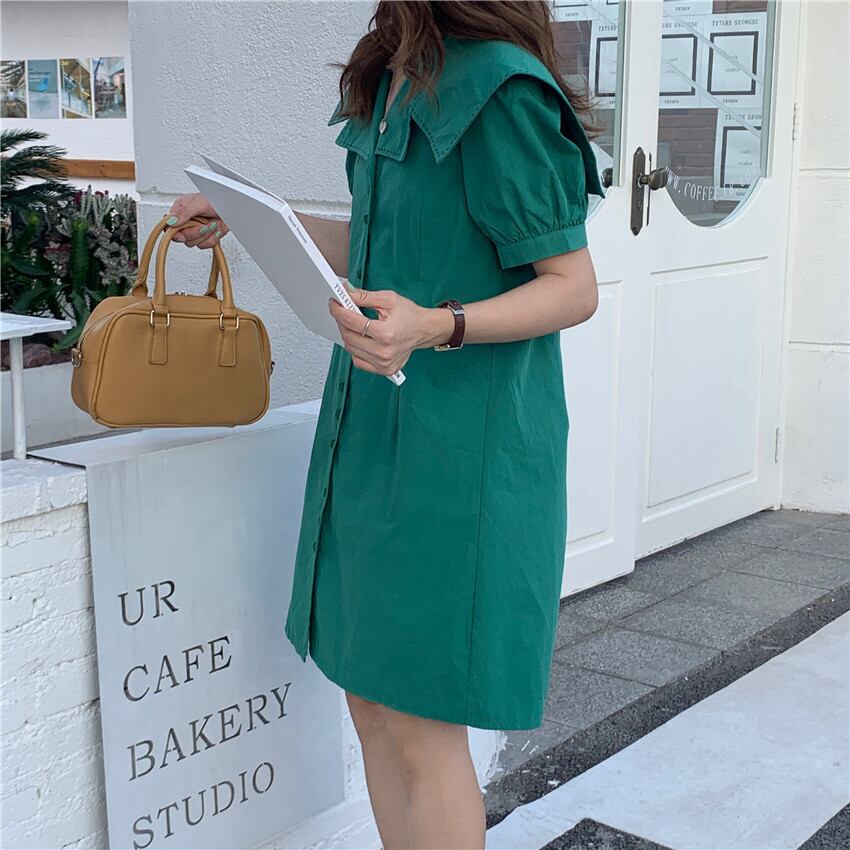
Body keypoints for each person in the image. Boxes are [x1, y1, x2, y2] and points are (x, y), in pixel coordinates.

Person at [166, 1, 605, 846]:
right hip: (371, 430)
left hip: (463, 450)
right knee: (371, 702)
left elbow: (572, 286)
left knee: (420, 723)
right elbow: (379, 241)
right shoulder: (394, 65)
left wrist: (437, 324)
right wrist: (251, 219)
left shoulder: (501, 88)